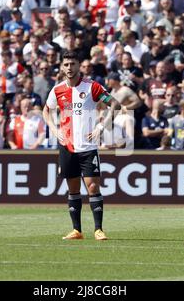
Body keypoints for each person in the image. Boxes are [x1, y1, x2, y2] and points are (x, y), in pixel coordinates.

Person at [43, 51, 124, 241]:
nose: (69, 68)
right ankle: (77, 230)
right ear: (62, 67)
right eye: (66, 65)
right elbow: (46, 111)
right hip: (67, 147)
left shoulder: (92, 87)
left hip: (87, 147)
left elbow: (115, 104)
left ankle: (98, 229)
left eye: (73, 64)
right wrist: (55, 131)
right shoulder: (57, 90)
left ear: (79, 66)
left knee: (93, 187)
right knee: (73, 189)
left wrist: (101, 127)